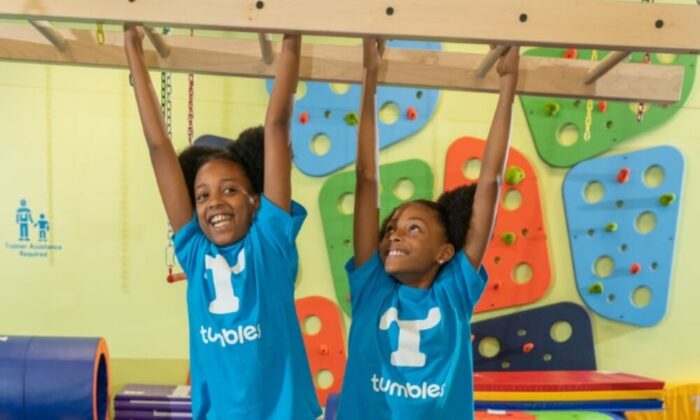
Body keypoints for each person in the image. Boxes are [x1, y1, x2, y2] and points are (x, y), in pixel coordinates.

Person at [124, 26, 321, 419]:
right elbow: (159, 147)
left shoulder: (270, 241)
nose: (214, 202)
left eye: (229, 190)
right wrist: (133, 52)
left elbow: (278, 125)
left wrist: (292, 35)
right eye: (202, 195)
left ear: (255, 200)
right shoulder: (194, 250)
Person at [337, 39, 520, 419]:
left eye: (413, 229)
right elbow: (367, 178)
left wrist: (507, 88)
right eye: (391, 228)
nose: (394, 236)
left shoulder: (454, 291)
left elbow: (489, 183)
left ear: (445, 252)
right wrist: (370, 77)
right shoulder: (372, 285)